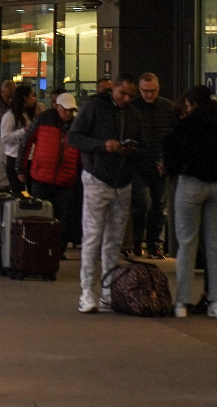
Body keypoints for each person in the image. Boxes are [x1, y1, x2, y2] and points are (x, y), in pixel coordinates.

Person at [163, 83, 217, 319]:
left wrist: (178, 168)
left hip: (190, 185)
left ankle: (182, 302)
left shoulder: (185, 126)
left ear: (193, 104)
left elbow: (171, 155)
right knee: (215, 245)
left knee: (187, 244)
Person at [67, 73, 142, 313]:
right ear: (113, 88)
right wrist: (102, 146)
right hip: (97, 178)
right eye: (123, 94)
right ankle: (86, 292)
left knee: (114, 241)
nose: (127, 99)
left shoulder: (134, 114)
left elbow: (143, 144)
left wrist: (132, 150)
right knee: (92, 237)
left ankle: (109, 292)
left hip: (123, 182)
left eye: (131, 95)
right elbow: (73, 138)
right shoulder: (93, 108)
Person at [22, 93, 81, 247]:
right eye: (66, 109)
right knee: (42, 215)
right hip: (42, 177)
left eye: (71, 110)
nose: (68, 113)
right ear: (57, 106)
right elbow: (26, 142)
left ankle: (57, 249)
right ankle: (41, 247)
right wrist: (20, 168)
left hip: (65, 179)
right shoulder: (43, 119)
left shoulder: (77, 125)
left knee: (62, 217)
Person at [132, 72, 179, 259]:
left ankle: (155, 245)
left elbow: (174, 139)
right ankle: (138, 240)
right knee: (142, 205)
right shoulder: (133, 108)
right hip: (138, 164)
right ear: (139, 89)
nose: (149, 95)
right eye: (145, 91)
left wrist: (167, 160)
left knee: (159, 207)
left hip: (160, 166)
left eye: (152, 91)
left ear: (158, 89)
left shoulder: (169, 108)